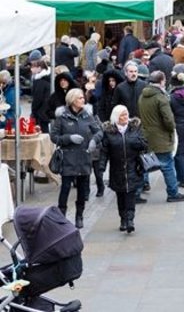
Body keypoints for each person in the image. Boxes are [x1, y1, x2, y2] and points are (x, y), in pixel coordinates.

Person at [49, 88, 101, 228]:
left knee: (82, 189)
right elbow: (54, 137)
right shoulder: (62, 117)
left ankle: (79, 216)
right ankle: (61, 217)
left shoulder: (88, 115)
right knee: (65, 187)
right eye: (80, 98)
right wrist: (68, 138)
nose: (83, 100)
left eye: (83, 98)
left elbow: (99, 131)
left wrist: (94, 141)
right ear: (72, 100)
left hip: (84, 157)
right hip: (68, 158)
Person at [98, 105, 148, 233]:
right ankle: (123, 219)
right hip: (117, 169)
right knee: (120, 196)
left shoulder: (135, 128)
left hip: (133, 167)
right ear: (116, 117)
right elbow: (104, 151)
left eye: (126, 114)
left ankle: (130, 219)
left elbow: (145, 144)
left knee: (130, 195)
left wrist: (138, 144)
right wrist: (102, 166)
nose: (125, 117)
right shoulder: (109, 132)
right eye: (122, 115)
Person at [138, 71, 184, 203]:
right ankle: (173, 193)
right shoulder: (161, 98)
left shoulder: (142, 96)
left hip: (146, 136)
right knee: (167, 165)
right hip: (161, 138)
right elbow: (169, 120)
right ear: (161, 81)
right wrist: (171, 129)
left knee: (144, 165)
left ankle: (136, 193)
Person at [30, 59, 52, 134]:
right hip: (45, 110)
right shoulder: (46, 78)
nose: (31, 69)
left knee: (42, 132)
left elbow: (37, 98)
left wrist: (33, 110)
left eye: (33, 67)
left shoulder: (40, 81)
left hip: (41, 112)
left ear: (39, 68)